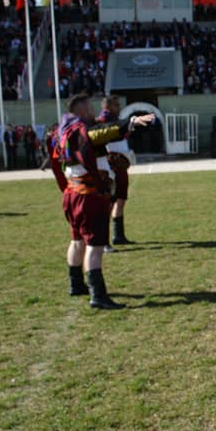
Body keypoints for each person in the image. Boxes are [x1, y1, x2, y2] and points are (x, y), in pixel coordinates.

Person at [56, 94, 154, 308]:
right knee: (95, 245)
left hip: (72, 193)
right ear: (82, 111)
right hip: (87, 196)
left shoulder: (64, 130)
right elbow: (102, 132)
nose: (94, 112)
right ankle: (98, 295)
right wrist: (130, 123)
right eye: (90, 107)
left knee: (77, 241)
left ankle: (76, 285)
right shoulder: (83, 131)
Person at [96, 96, 137, 246]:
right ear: (108, 106)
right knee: (110, 203)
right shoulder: (103, 121)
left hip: (120, 165)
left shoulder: (115, 120)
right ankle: (104, 240)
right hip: (112, 166)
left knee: (120, 199)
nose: (119, 107)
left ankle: (118, 236)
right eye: (116, 105)